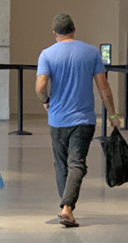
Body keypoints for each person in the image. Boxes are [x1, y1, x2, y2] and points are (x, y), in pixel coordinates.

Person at [35, 13, 119, 227]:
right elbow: (104, 88)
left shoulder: (47, 54)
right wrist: (112, 114)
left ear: (55, 33)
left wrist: (46, 101)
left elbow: (40, 86)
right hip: (84, 119)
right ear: (74, 29)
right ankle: (67, 207)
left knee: (61, 164)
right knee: (77, 163)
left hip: (57, 119)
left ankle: (66, 207)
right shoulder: (91, 52)